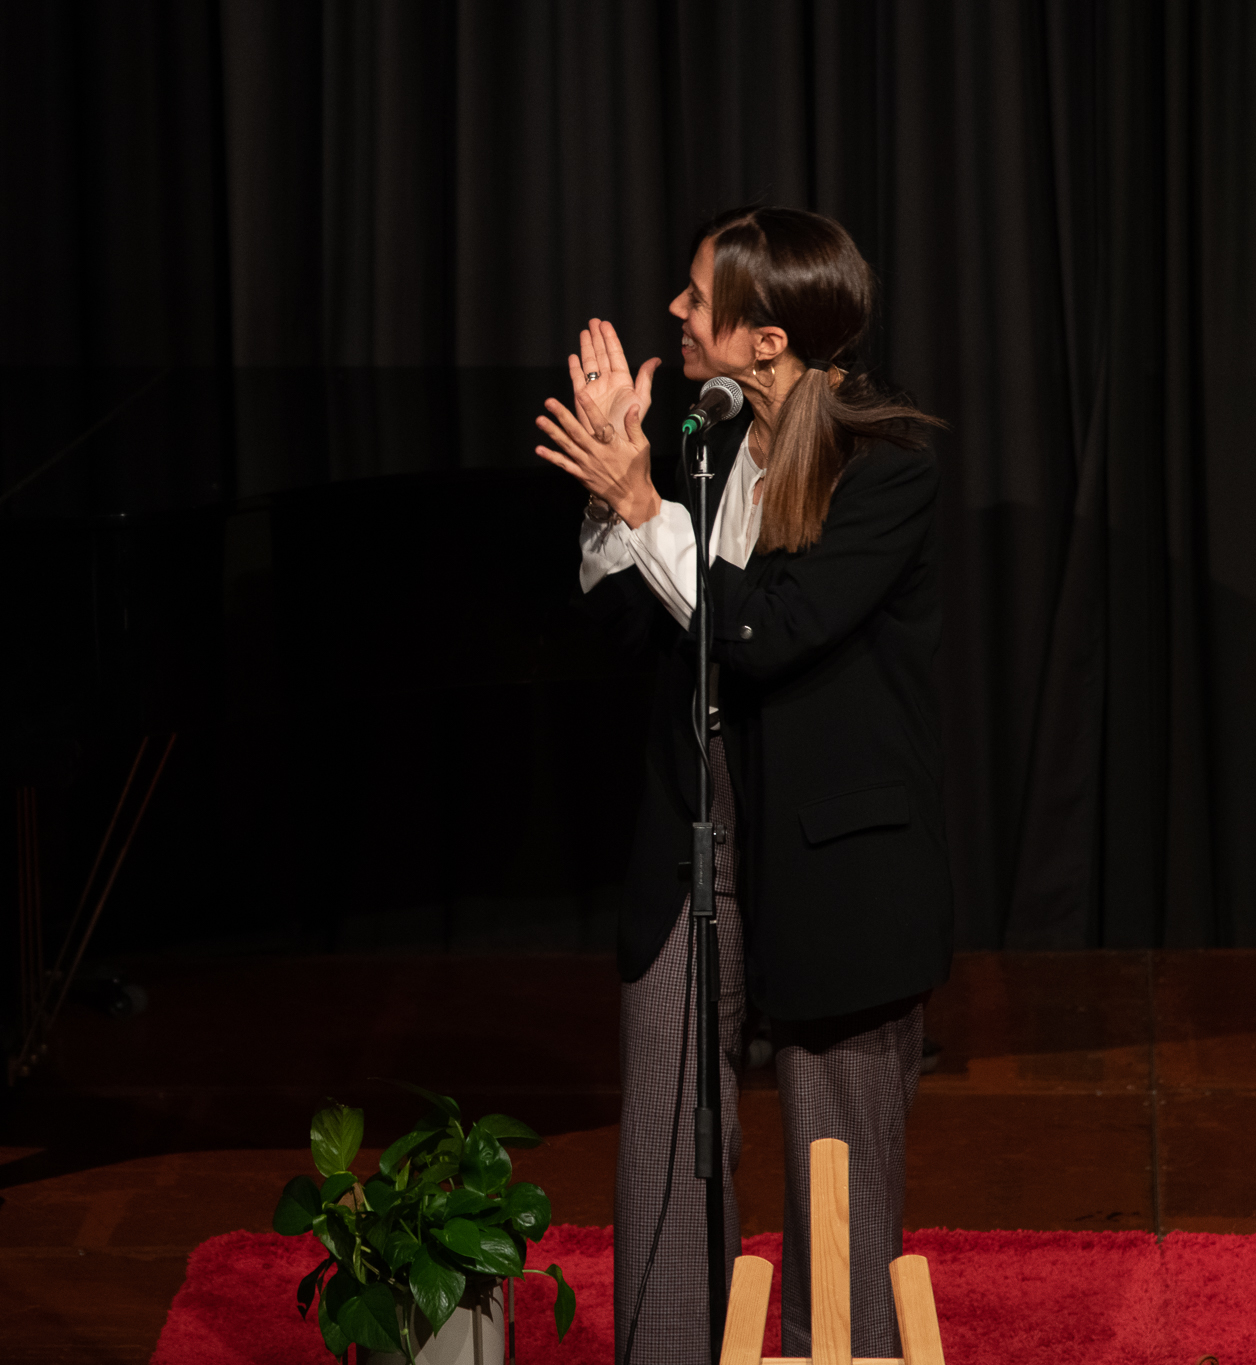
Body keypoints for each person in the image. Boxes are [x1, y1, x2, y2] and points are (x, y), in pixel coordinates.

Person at [533, 206, 952, 1363]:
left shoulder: (887, 468)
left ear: (766, 339)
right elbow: (632, 631)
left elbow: (768, 631)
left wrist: (641, 508)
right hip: (691, 836)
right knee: (664, 1149)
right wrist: (609, 499)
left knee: (836, 1171)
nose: (674, 311)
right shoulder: (701, 441)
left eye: (695, 297)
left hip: (834, 861)